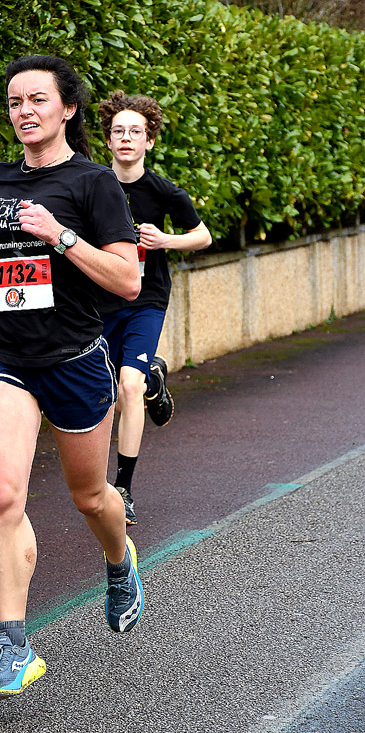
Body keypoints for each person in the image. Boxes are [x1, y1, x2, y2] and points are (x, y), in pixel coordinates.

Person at [0, 56, 144, 706]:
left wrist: (60, 236)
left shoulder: (94, 184)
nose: (24, 111)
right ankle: (14, 646)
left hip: (72, 359)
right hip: (2, 353)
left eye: (37, 99)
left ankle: (119, 560)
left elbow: (127, 279)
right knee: (3, 494)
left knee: (90, 498)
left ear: (67, 108)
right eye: (14, 102)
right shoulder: (0, 177)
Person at [97, 90, 212, 525]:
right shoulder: (91, 184)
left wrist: (165, 240)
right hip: (99, 302)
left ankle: (123, 489)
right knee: (106, 394)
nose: (126, 138)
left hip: (145, 300)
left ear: (149, 141)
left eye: (135, 132)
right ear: (108, 140)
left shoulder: (162, 190)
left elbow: (202, 236)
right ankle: (153, 376)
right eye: (118, 131)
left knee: (128, 387)